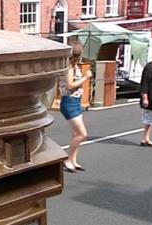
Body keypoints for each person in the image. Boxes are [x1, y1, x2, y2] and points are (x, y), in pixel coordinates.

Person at [59, 41, 92, 173]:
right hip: (69, 102)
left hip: (75, 101)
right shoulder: (69, 68)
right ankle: (68, 161)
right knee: (82, 134)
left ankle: (73, 160)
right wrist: (85, 77)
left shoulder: (74, 66)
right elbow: (70, 85)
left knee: (76, 133)